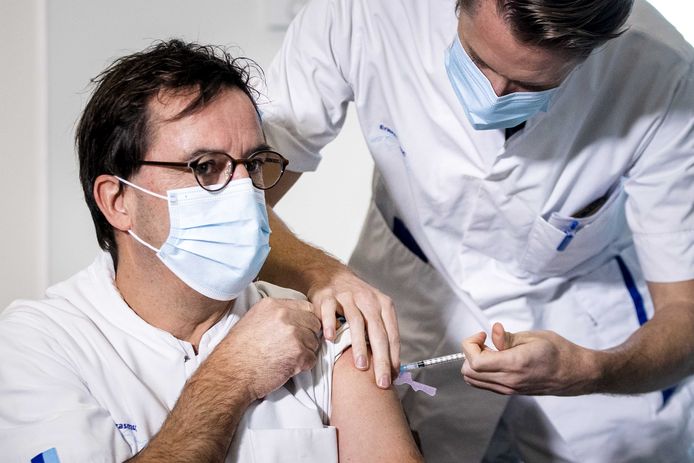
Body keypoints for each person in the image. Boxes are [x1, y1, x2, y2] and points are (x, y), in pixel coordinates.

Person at [258, 0, 694, 461]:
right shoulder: (365, 12)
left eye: (531, 85)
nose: (494, 95)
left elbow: (685, 311)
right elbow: (238, 196)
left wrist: (590, 370)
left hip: (583, 320)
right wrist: (320, 272)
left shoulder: (664, 75)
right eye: (477, 61)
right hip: (411, 293)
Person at [0, 39, 423, 463]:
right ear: (117, 201)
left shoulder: (323, 336)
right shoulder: (39, 345)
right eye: (205, 166)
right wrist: (232, 375)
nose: (243, 190)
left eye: (252, 164)